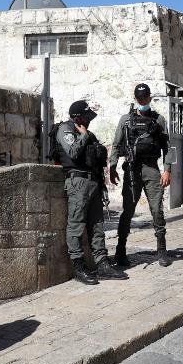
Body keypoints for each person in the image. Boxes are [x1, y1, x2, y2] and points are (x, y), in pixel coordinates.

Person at [56, 100, 126, 285]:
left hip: (93, 182)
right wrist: (84, 136)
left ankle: (102, 264)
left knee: (97, 225)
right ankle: (79, 267)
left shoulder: (89, 134)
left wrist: (102, 184)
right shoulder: (66, 130)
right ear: (77, 117)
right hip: (77, 182)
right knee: (76, 224)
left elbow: (96, 160)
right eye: (86, 117)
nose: (89, 121)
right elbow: (72, 152)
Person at [110, 83, 173, 267]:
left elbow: (168, 148)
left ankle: (162, 251)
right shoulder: (126, 120)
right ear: (135, 99)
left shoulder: (158, 120)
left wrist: (167, 169)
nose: (142, 101)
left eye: (145, 98)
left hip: (152, 169)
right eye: (139, 99)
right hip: (131, 169)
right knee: (128, 211)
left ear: (150, 98)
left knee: (157, 210)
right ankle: (120, 251)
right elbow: (116, 144)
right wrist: (112, 166)